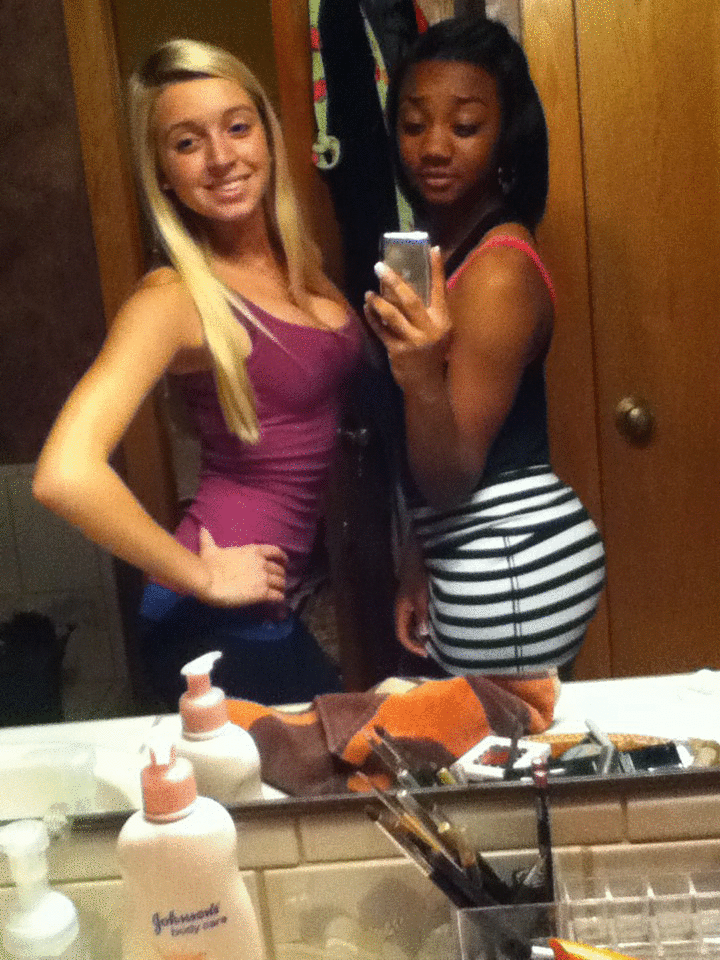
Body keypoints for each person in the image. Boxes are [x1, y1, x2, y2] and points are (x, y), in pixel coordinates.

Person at [33, 39, 363, 706]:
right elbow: (64, 473)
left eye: (237, 127)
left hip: (273, 600)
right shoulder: (173, 296)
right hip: (212, 616)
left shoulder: (299, 263)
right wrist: (200, 576)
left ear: (267, 135)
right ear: (162, 172)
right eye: (187, 143)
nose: (220, 158)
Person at [363, 17, 605, 678]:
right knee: (494, 741)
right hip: (477, 554)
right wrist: (418, 557)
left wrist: (419, 371)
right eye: (414, 125)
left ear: (506, 139)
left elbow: (450, 478)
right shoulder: (444, 246)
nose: (434, 147)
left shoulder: (497, 271)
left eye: (465, 126)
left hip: (508, 563)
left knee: (494, 745)